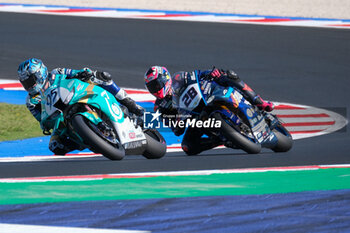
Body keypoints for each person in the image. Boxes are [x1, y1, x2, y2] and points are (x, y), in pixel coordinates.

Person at [18, 58, 144, 155]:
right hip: (60, 118)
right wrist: (45, 124)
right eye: (25, 83)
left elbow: (75, 73)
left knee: (102, 77)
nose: (29, 86)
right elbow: (41, 119)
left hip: (77, 96)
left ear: (40, 74)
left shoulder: (57, 73)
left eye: (30, 81)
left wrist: (84, 73)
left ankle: (129, 103)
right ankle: (90, 141)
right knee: (55, 146)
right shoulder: (31, 101)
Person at [144, 66, 274, 155]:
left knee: (229, 75)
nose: (155, 89)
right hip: (198, 118)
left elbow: (198, 75)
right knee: (188, 147)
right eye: (151, 87)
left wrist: (211, 73)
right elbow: (176, 130)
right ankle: (222, 139)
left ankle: (259, 102)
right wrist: (177, 121)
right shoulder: (160, 106)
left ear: (165, 78)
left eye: (156, 84)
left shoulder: (179, 78)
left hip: (211, 94)